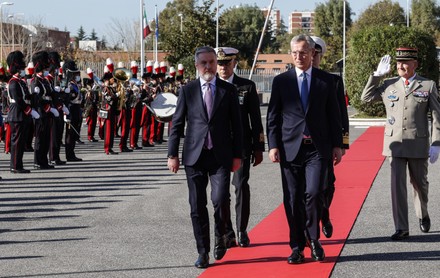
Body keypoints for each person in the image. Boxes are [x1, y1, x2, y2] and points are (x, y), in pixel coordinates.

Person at [266, 34, 343, 264]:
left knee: (315, 193)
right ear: (291, 54)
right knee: (292, 199)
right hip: (290, 149)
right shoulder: (281, 81)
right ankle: (297, 247)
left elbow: (334, 115)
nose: (299, 56)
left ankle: (314, 239)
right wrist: (273, 145)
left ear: (312, 53)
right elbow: (272, 117)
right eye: (295, 52)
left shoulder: (326, 81)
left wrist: (338, 145)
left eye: (303, 52)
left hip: (317, 149)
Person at [167, 46, 243, 269]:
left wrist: (237, 155)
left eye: (211, 62)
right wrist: (172, 154)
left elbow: (236, 127)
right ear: (196, 66)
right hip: (194, 156)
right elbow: (177, 124)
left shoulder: (228, 90)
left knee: (220, 200)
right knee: (196, 206)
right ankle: (202, 251)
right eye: (204, 63)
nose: (209, 67)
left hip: (220, 156)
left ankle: (221, 237)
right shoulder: (187, 90)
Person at [361, 47, 440, 240]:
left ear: (415, 64)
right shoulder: (389, 84)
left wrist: (436, 142)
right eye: (398, 63)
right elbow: (366, 98)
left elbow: (437, 115)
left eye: (405, 63)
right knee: (397, 186)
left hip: (417, 143)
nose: (401, 66)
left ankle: (423, 214)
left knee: (419, 184)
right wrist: (377, 76)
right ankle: (401, 227)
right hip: (394, 144)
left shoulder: (427, 85)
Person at [215, 47, 265, 248]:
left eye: (226, 63)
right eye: (220, 64)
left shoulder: (247, 86)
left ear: (234, 63)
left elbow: (255, 119)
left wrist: (259, 147)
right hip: (218, 147)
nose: (222, 68)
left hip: (241, 146)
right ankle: (227, 232)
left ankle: (242, 229)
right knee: (221, 193)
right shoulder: (212, 86)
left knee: (241, 186)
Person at [310, 36, 350, 238]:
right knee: (309, 190)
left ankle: (324, 214)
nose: (313, 56)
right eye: (311, 52)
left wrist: (342, 144)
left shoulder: (333, 80)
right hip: (304, 144)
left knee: (328, 186)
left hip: (326, 143)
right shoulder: (295, 79)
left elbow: (341, 114)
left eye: (316, 53)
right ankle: (312, 227)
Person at [6, 50, 36, 174]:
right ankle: (15, 165)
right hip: (17, 114)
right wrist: (29, 110)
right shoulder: (13, 83)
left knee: (21, 141)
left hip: (21, 114)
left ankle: (19, 164)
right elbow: (18, 100)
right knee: (17, 142)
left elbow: (26, 97)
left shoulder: (20, 82)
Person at [63, 59, 83, 162]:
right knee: (70, 133)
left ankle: (72, 152)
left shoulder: (76, 85)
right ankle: (69, 154)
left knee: (75, 132)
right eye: (75, 74)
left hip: (77, 108)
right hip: (71, 108)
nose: (77, 75)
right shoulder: (70, 85)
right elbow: (69, 99)